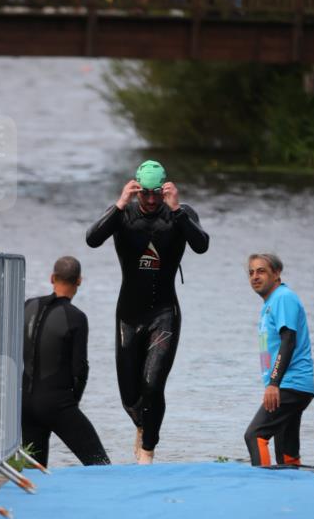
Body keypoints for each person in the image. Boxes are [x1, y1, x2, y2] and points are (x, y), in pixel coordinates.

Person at [86, 161, 209, 464]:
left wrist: (177, 209)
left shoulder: (180, 213)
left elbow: (202, 245)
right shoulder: (123, 213)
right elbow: (92, 239)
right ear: (136, 189)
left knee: (153, 385)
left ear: (165, 188)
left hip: (164, 313)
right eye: (146, 195)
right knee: (130, 396)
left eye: (157, 194)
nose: (152, 201)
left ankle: (147, 452)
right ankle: (144, 426)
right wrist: (120, 203)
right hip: (128, 315)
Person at [22, 256, 109, 467]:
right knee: (100, 464)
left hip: (24, 403)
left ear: (52, 278)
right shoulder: (76, 317)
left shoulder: (28, 305)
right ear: (79, 281)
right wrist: (71, 404)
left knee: (36, 470)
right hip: (57, 404)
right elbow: (80, 369)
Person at [244, 254, 314, 467]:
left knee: (255, 435)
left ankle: (263, 487)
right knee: (286, 451)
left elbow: (289, 340)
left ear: (276, 274)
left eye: (261, 271)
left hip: (289, 384)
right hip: (290, 385)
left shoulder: (283, 297)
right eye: (251, 272)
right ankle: (293, 488)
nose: (255, 276)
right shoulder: (270, 303)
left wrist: (274, 383)